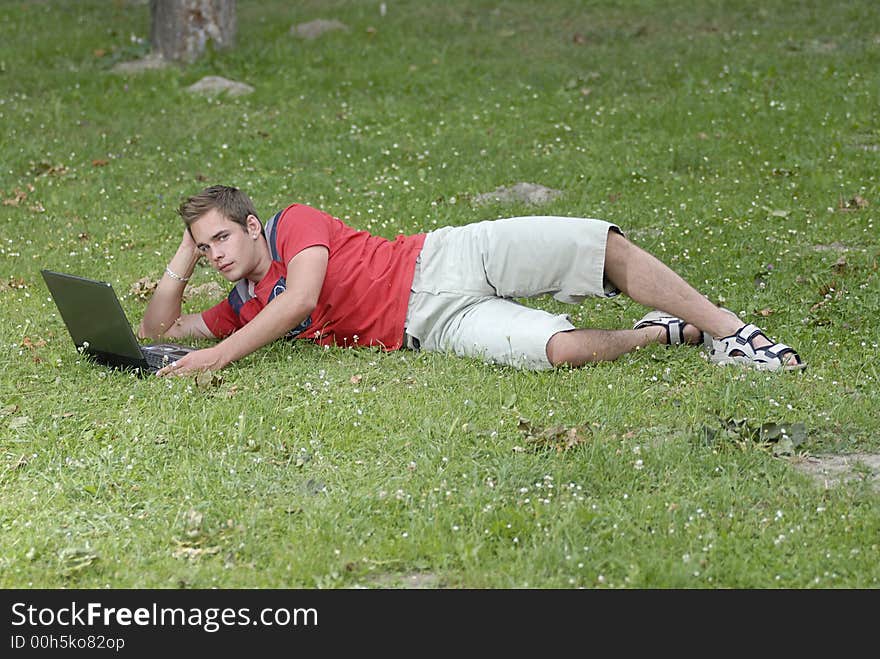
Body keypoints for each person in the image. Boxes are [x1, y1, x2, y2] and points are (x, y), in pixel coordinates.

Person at [139, 185, 805, 377]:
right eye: (207, 247)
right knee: (560, 351)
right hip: (430, 329)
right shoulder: (244, 305)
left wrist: (219, 357)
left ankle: (733, 332)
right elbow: (159, 330)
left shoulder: (293, 225)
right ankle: (663, 334)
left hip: (444, 261)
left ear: (253, 225)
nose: (215, 253)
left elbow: (306, 299)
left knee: (597, 245)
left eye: (221, 236)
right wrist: (184, 251)